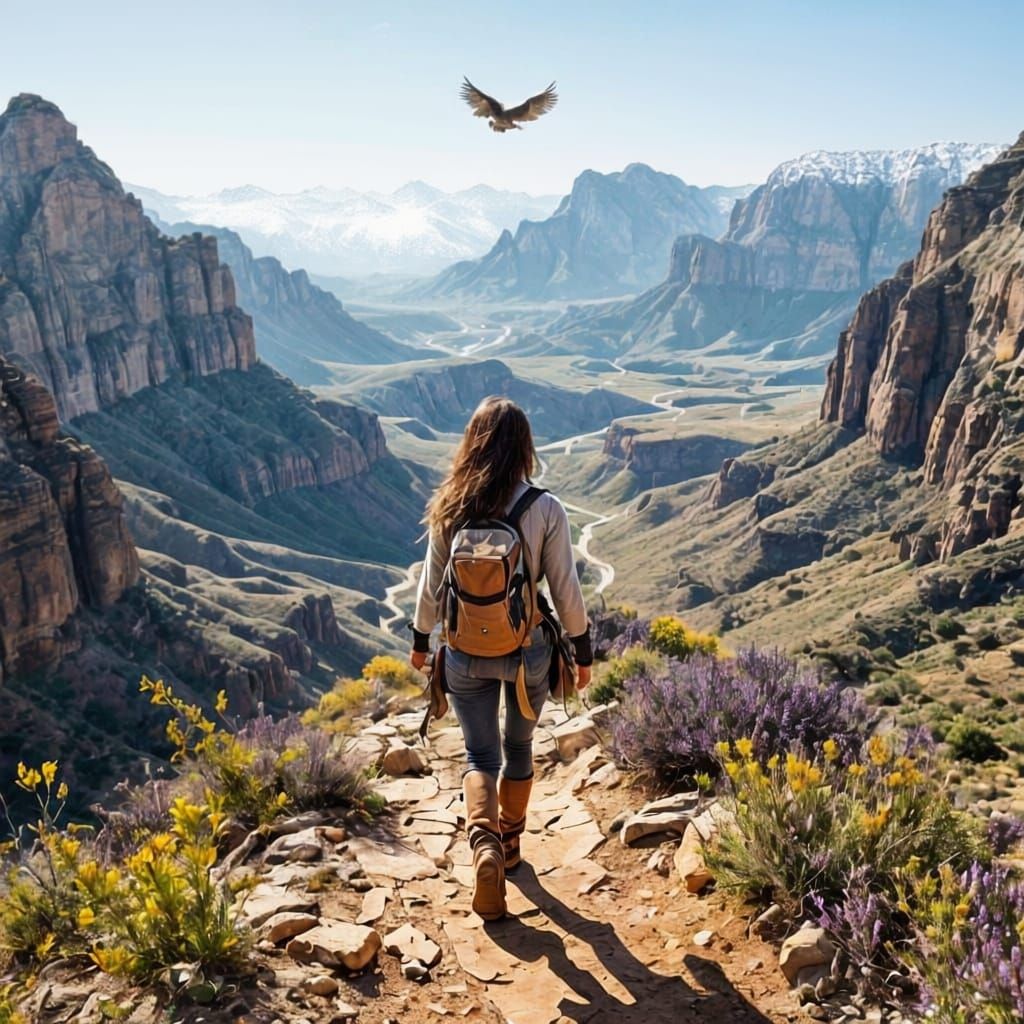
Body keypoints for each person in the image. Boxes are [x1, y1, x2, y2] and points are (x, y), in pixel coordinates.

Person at [410, 396, 593, 920]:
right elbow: (565, 588)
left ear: (472, 443)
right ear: (524, 447)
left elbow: (431, 585)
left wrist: (421, 642)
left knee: (479, 756)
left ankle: (484, 846)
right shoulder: (544, 508)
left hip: (464, 650)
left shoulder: (450, 504)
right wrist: (581, 650)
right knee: (518, 746)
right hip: (527, 650)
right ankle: (510, 845)